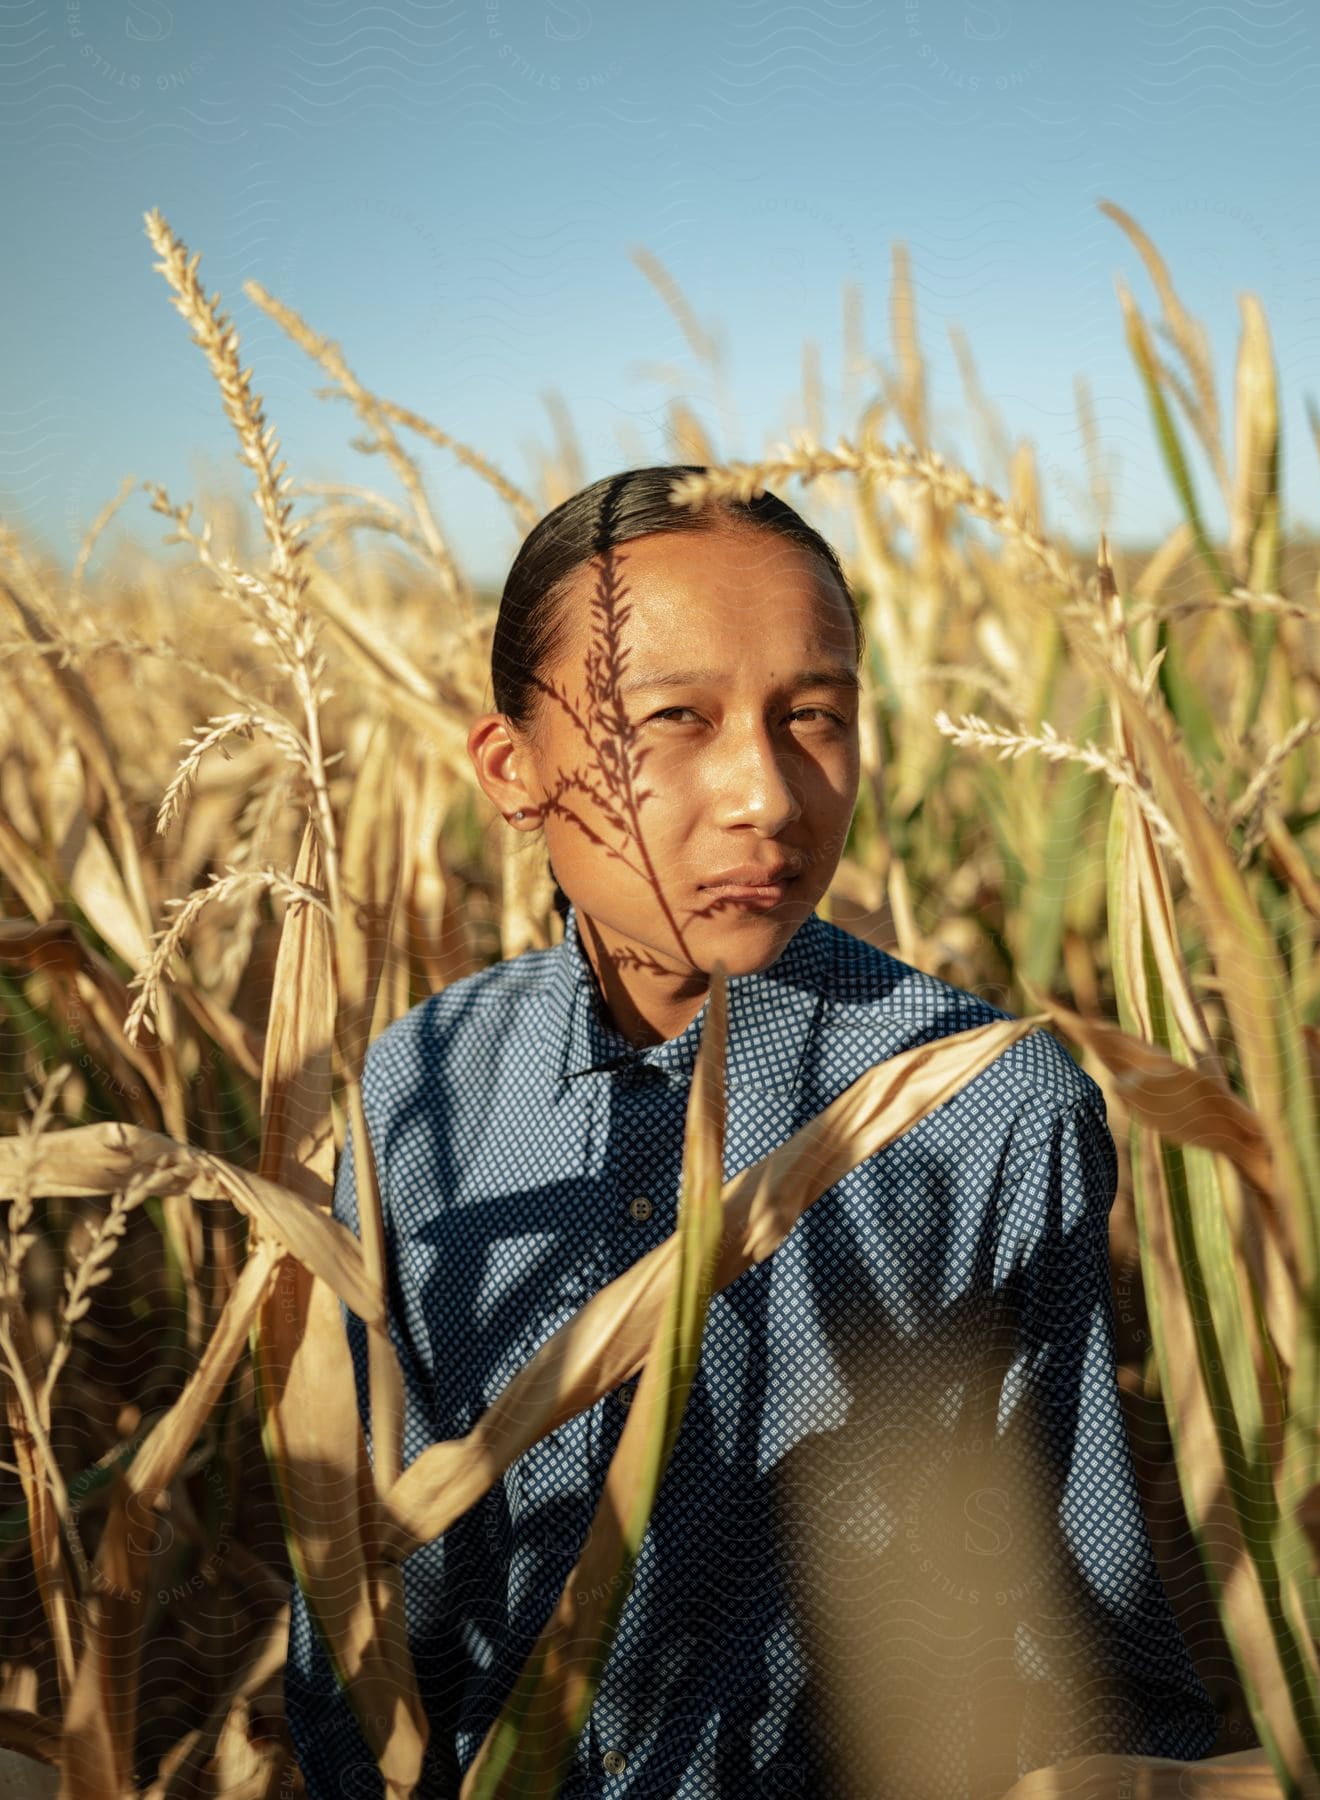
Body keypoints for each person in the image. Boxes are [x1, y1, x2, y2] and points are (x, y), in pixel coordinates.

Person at [283, 466, 1219, 1798]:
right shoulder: (425, 1086)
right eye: (673, 718)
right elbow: (367, 1600)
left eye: (813, 717)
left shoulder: (982, 1107)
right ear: (513, 767)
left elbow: (1077, 1625)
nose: (767, 797)